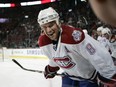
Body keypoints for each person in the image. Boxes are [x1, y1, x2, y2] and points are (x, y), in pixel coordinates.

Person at [37, 7, 116, 87]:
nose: (48, 30)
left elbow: (97, 54)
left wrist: (109, 75)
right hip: (70, 76)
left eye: (50, 25)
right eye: (44, 27)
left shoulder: (73, 36)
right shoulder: (44, 42)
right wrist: (51, 68)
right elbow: (55, 56)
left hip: (89, 78)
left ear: (58, 23)